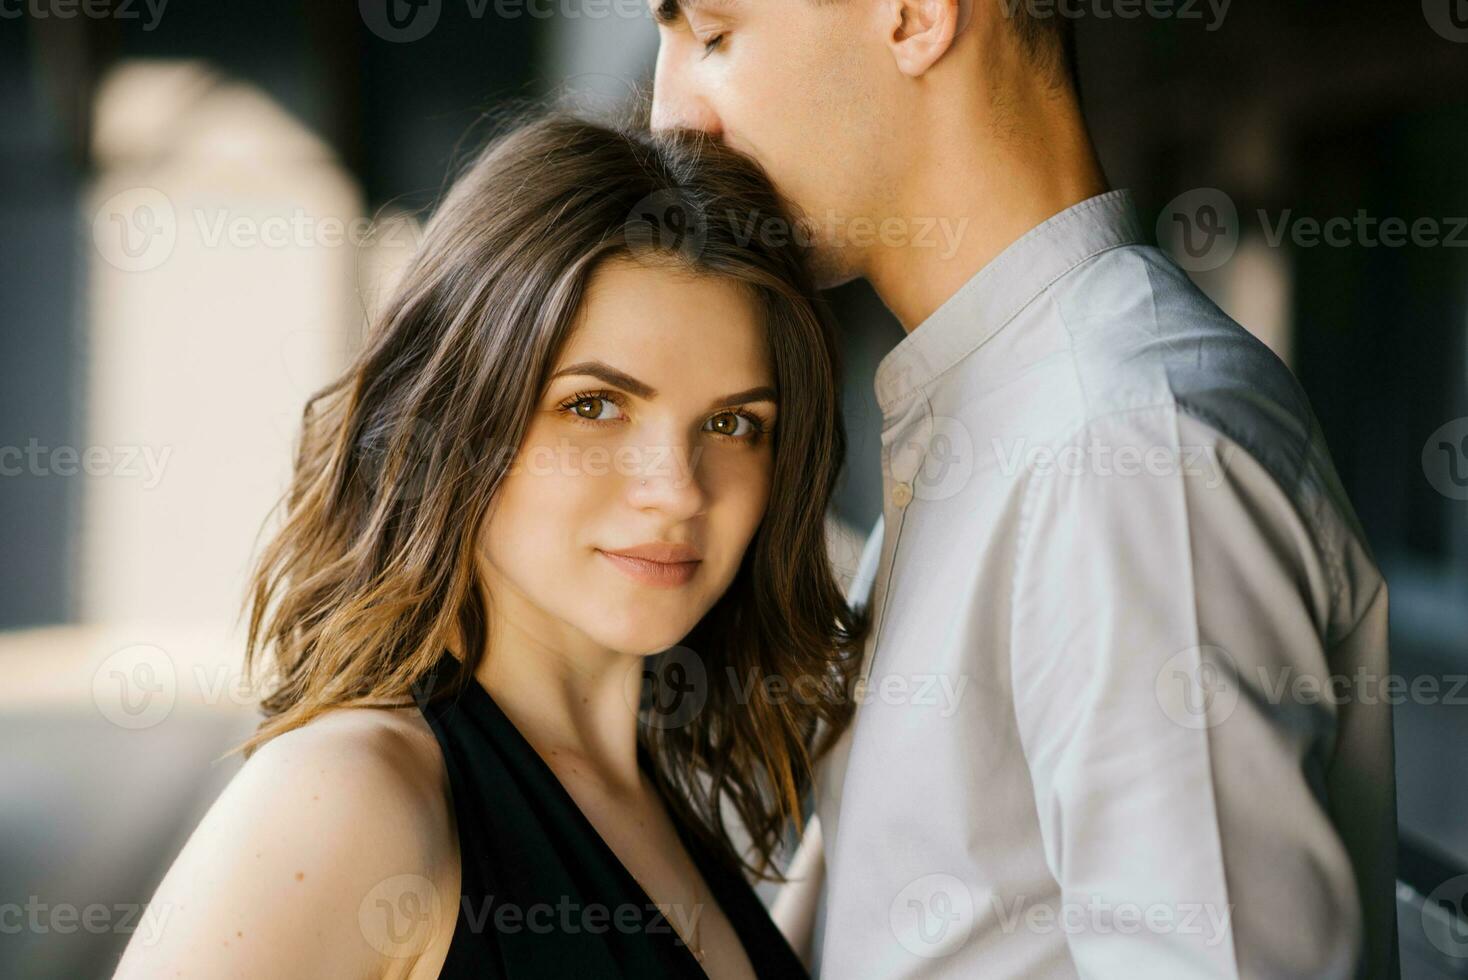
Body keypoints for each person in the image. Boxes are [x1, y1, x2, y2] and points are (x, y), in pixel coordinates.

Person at [650, 1, 1399, 977]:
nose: (670, 119)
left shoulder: (1120, 450)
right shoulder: (1000, 411)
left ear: (915, 15)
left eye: (712, 36)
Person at [111, 112, 867, 980]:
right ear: (455, 419)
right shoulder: (351, 797)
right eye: (594, 405)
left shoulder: (668, 818)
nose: (679, 488)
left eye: (734, 423)